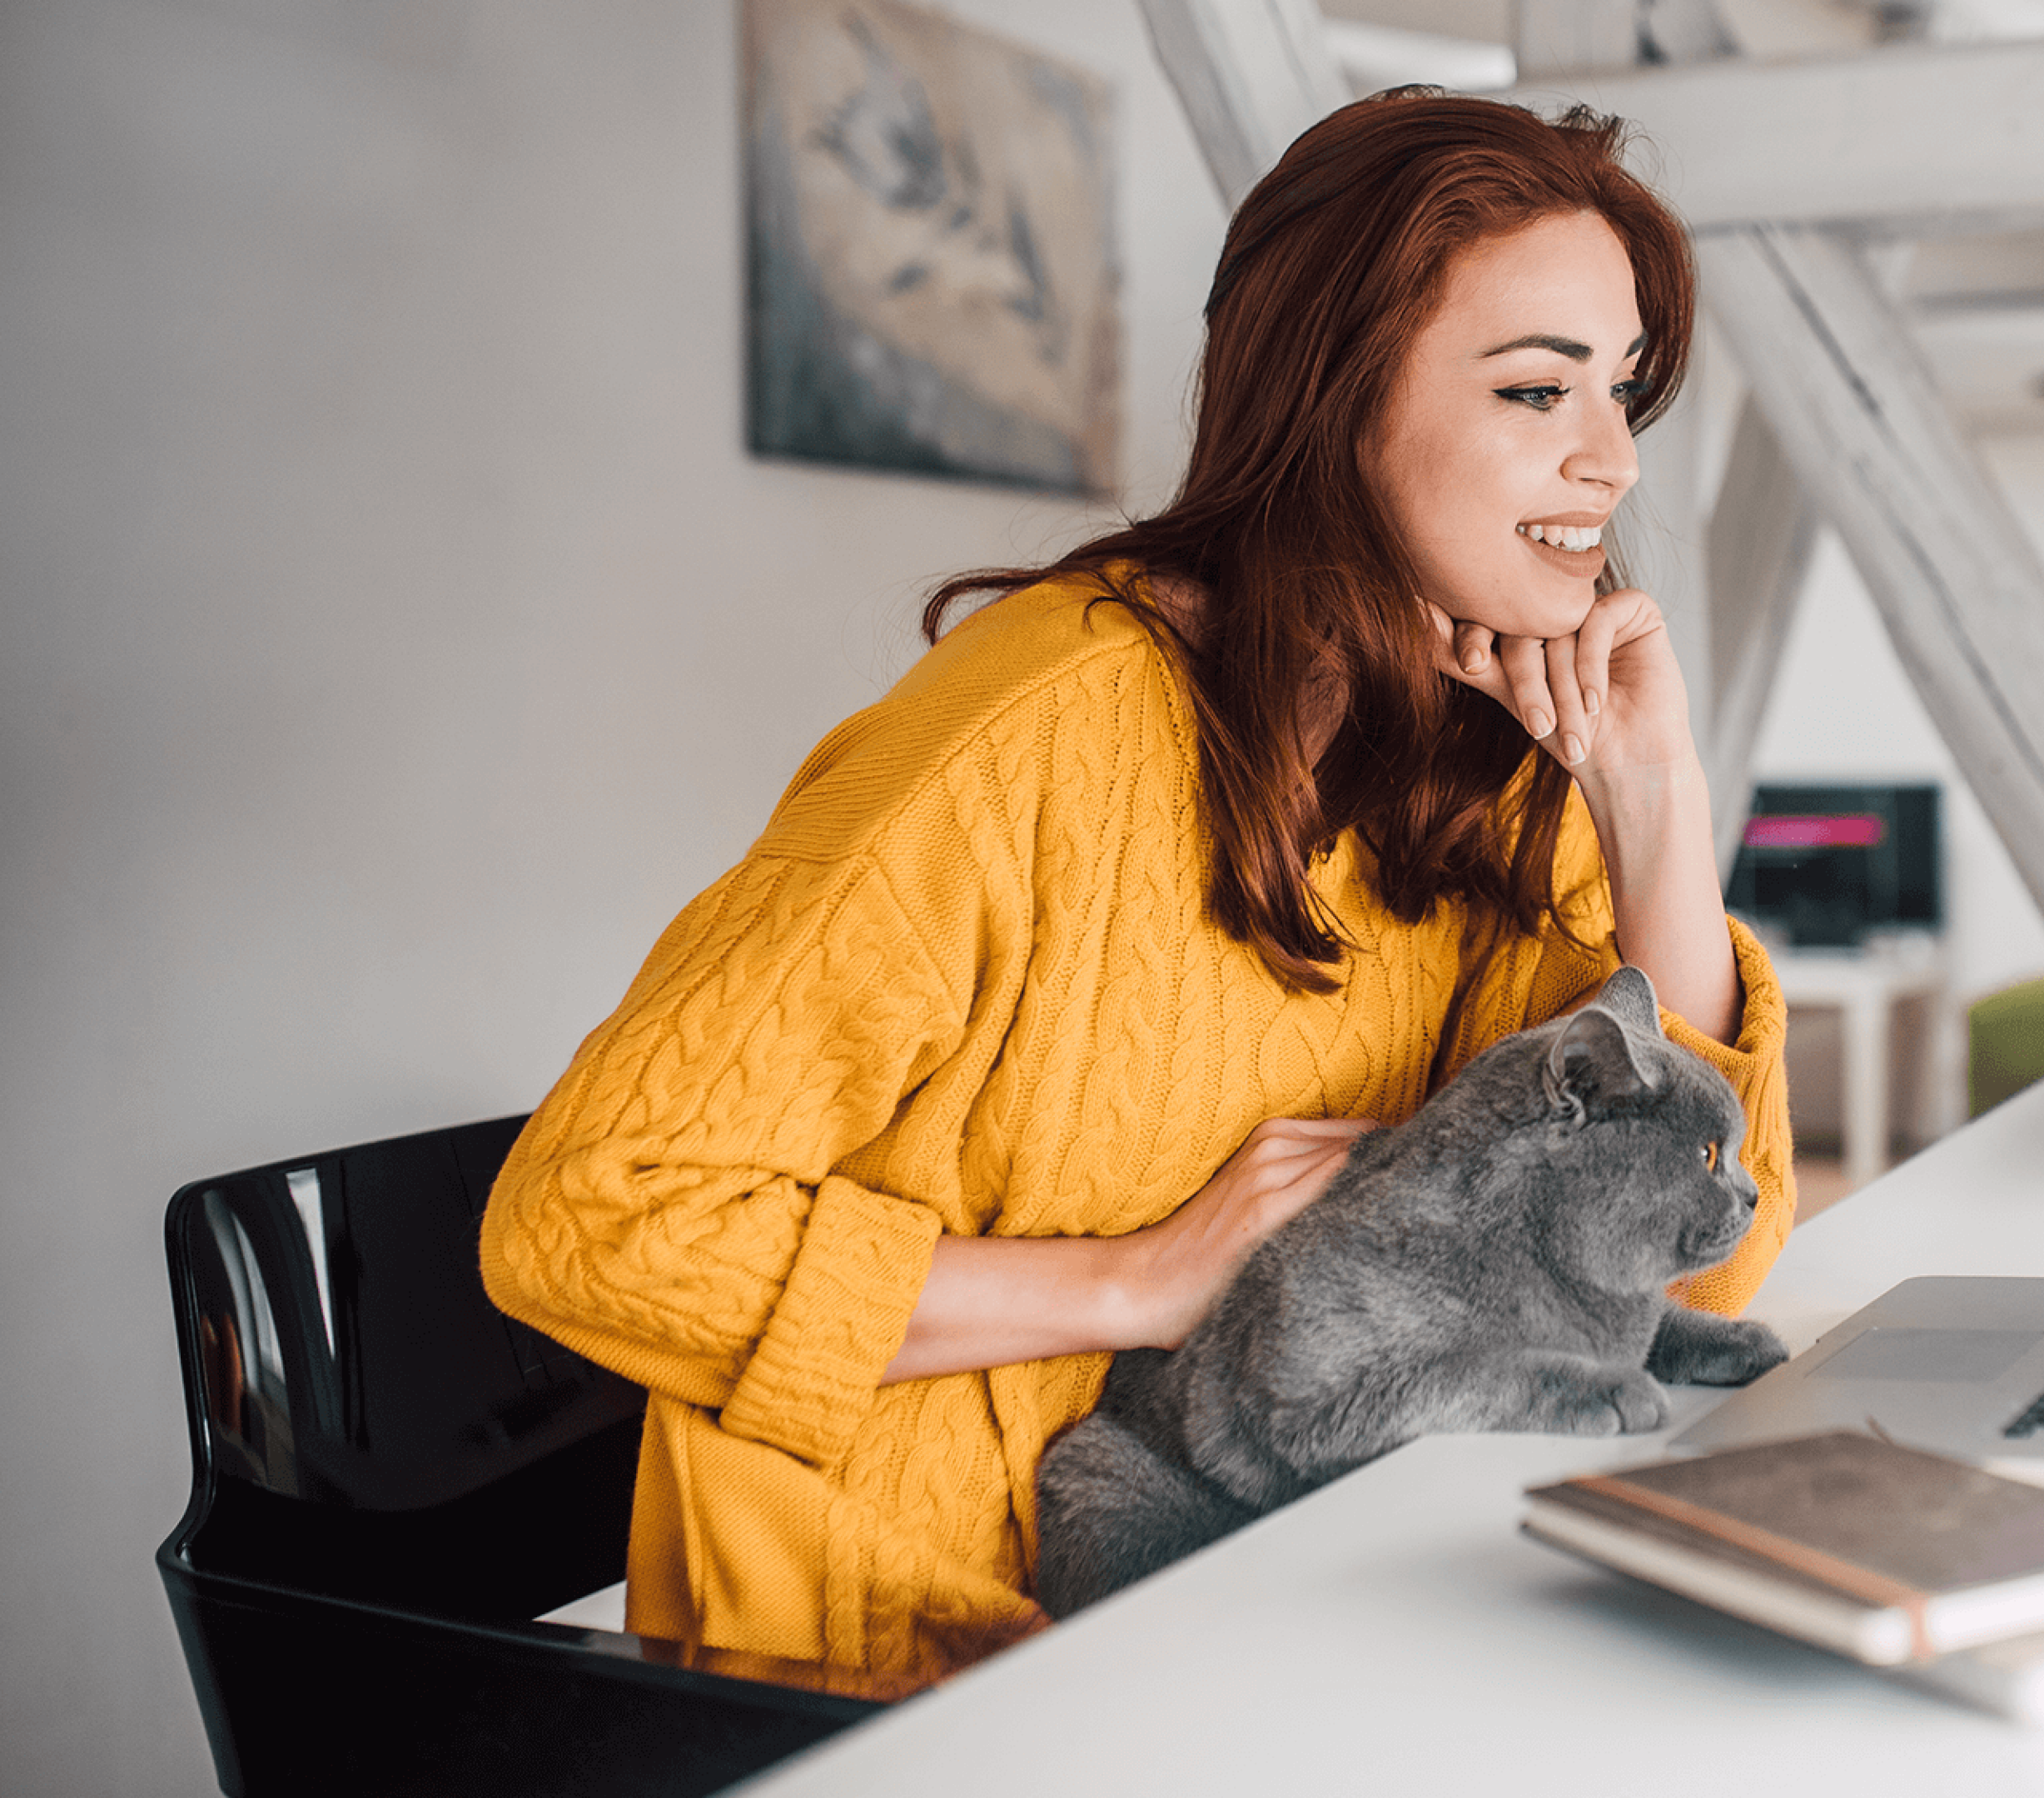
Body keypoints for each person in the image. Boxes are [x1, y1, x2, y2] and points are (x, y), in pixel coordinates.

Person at [479, 90, 1795, 1686]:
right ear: (1333, 400)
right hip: (917, 1651)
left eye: (1626, 395)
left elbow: (1690, 1255)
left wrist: (1656, 808)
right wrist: (1140, 1277)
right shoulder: (1032, 733)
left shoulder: (1484, 745)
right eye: (1536, 390)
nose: (1608, 462)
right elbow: (587, 1221)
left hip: (1257, 1569)